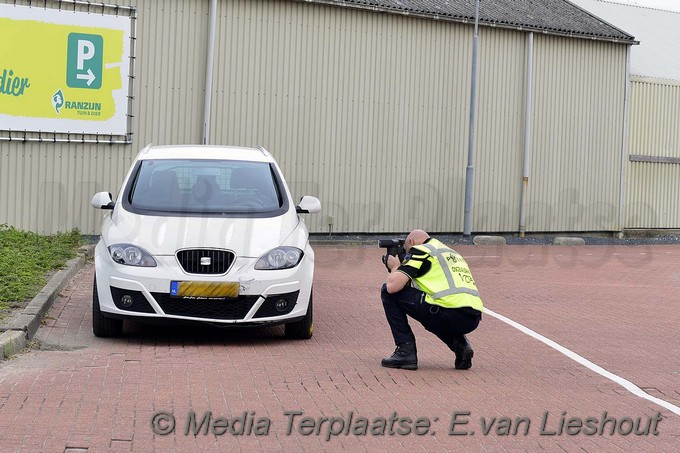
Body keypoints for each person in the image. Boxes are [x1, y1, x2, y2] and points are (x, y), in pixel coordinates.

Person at [381, 229, 483, 370]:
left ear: (411, 242)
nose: (407, 254)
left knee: (387, 292)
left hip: (445, 311)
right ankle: (461, 347)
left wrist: (395, 267)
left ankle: (405, 352)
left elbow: (393, 287)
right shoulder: (451, 253)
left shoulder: (421, 250)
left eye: (406, 250)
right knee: (431, 309)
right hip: (472, 318)